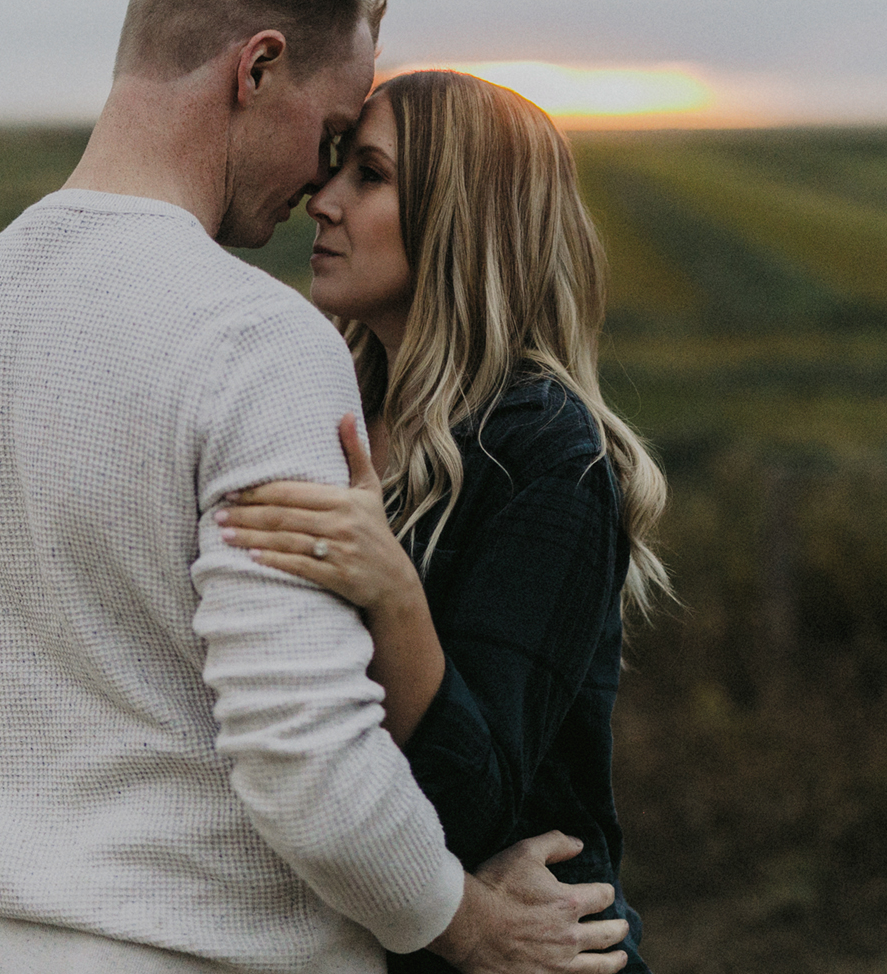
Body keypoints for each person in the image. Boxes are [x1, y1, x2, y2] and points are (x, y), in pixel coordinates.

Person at [0, 0, 630, 974]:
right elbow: (304, 753)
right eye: (330, 140)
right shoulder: (256, 342)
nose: (312, 190)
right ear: (257, 67)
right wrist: (466, 922)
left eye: (356, 166)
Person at [216, 70, 670, 973]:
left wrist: (393, 596)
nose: (323, 199)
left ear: (463, 218)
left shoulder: (549, 456)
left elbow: (473, 804)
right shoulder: (327, 410)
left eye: (369, 176)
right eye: (335, 168)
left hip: (537, 948)